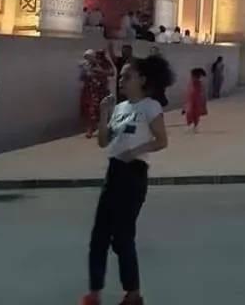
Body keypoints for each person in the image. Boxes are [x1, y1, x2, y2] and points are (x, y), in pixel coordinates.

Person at [81, 55, 173, 305]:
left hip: (133, 174)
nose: (121, 80)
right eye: (120, 76)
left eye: (126, 76)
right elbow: (103, 142)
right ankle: (94, 293)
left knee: (122, 236)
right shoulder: (120, 109)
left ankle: (132, 294)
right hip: (113, 172)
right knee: (99, 235)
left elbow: (162, 140)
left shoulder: (150, 107)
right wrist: (103, 115)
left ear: (142, 79)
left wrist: (134, 151)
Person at [183, 67, 207, 133]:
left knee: (191, 112)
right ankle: (194, 126)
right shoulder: (197, 82)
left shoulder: (194, 82)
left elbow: (191, 92)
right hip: (195, 99)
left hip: (193, 99)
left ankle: (192, 126)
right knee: (194, 113)